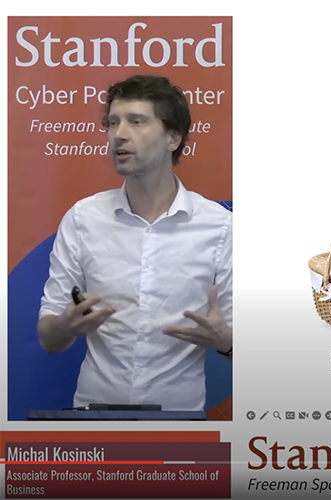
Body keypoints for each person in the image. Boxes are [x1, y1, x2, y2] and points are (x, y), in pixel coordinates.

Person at [36, 75, 232, 412]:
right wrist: (66, 326)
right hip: (92, 423)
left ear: (173, 137)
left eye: (136, 121)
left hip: (179, 427)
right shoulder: (84, 219)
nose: (119, 134)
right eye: (113, 123)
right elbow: (48, 338)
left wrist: (226, 344)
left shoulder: (220, 227)